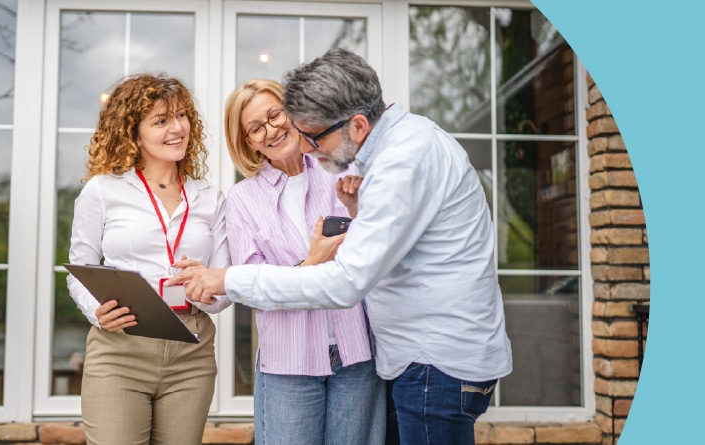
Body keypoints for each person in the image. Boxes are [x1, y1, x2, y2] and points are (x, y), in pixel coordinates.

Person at [173, 48, 513, 445]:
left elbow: (346, 281)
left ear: (356, 124)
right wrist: (319, 252)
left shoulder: (391, 164)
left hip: (427, 363)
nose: (308, 146)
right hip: (397, 361)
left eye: (312, 135)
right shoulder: (399, 147)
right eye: (255, 127)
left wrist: (226, 277)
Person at [66, 73, 231, 445]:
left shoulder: (210, 198)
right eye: (161, 121)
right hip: (120, 347)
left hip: (192, 349)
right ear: (133, 133)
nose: (177, 128)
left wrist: (208, 287)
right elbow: (79, 270)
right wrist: (97, 311)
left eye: (182, 116)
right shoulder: (103, 190)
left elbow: (224, 287)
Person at [223, 78, 385, 444]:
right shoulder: (241, 200)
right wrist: (310, 263)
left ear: (292, 112)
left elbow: (380, 253)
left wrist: (357, 213)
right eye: (255, 128)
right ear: (248, 142)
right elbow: (249, 288)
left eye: (275, 115)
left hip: (355, 352)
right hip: (288, 362)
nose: (272, 130)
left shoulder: (341, 169)